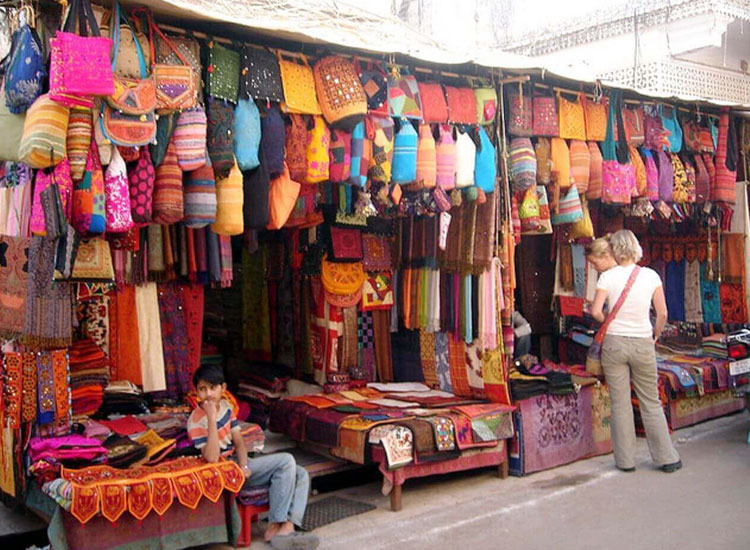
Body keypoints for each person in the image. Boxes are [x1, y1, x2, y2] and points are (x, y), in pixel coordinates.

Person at [188, 364, 320, 550]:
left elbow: (239, 441)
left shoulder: (225, 408)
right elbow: (211, 457)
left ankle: (287, 528)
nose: (208, 394)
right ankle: (275, 525)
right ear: (196, 393)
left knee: (301, 474)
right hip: (221, 471)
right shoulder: (195, 420)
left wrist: (244, 465)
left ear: (223, 389)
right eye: (203, 389)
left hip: (236, 466)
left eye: (213, 387)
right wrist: (210, 419)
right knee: (286, 461)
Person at [588, 230, 682, 474]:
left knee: (619, 404)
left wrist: (609, 321)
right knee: (650, 400)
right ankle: (667, 458)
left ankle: (625, 461)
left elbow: (596, 312)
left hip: (614, 343)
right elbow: (662, 314)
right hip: (642, 342)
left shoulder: (607, 277)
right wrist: (655, 334)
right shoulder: (650, 276)